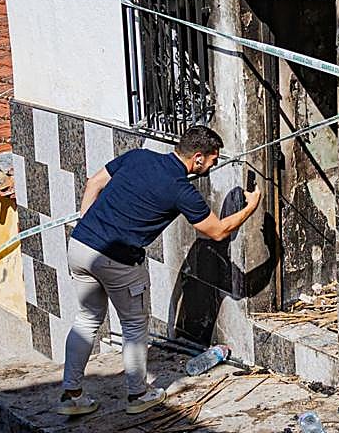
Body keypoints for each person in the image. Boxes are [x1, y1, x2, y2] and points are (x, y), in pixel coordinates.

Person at [55, 125, 261, 416]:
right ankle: (138, 394)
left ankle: (71, 394)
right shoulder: (181, 190)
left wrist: (88, 225)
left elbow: (94, 182)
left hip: (79, 247)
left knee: (87, 319)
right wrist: (250, 207)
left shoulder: (138, 156)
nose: (214, 165)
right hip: (119, 260)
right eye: (213, 160)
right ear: (198, 158)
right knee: (134, 325)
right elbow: (217, 231)